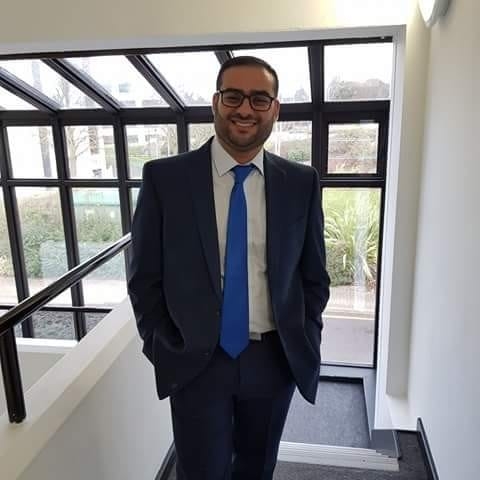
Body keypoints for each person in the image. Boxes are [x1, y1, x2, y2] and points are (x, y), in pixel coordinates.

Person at [128, 55, 330, 480]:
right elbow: (144, 277)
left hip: (274, 358)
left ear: (275, 109)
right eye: (234, 96)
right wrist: (161, 344)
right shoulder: (166, 179)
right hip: (196, 360)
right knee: (201, 471)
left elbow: (313, 276)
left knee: (257, 469)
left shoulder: (301, 182)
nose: (245, 109)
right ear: (216, 102)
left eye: (259, 99)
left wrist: (306, 331)